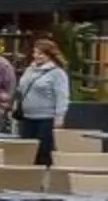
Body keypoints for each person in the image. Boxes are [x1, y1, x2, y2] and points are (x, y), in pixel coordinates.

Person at [19, 38, 72, 167]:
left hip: (46, 118)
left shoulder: (57, 73)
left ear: (49, 55)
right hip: (27, 117)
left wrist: (59, 117)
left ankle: (44, 179)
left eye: (41, 53)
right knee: (26, 152)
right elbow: (21, 88)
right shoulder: (29, 69)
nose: (36, 56)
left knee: (43, 152)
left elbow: (62, 96)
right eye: (35, 52)